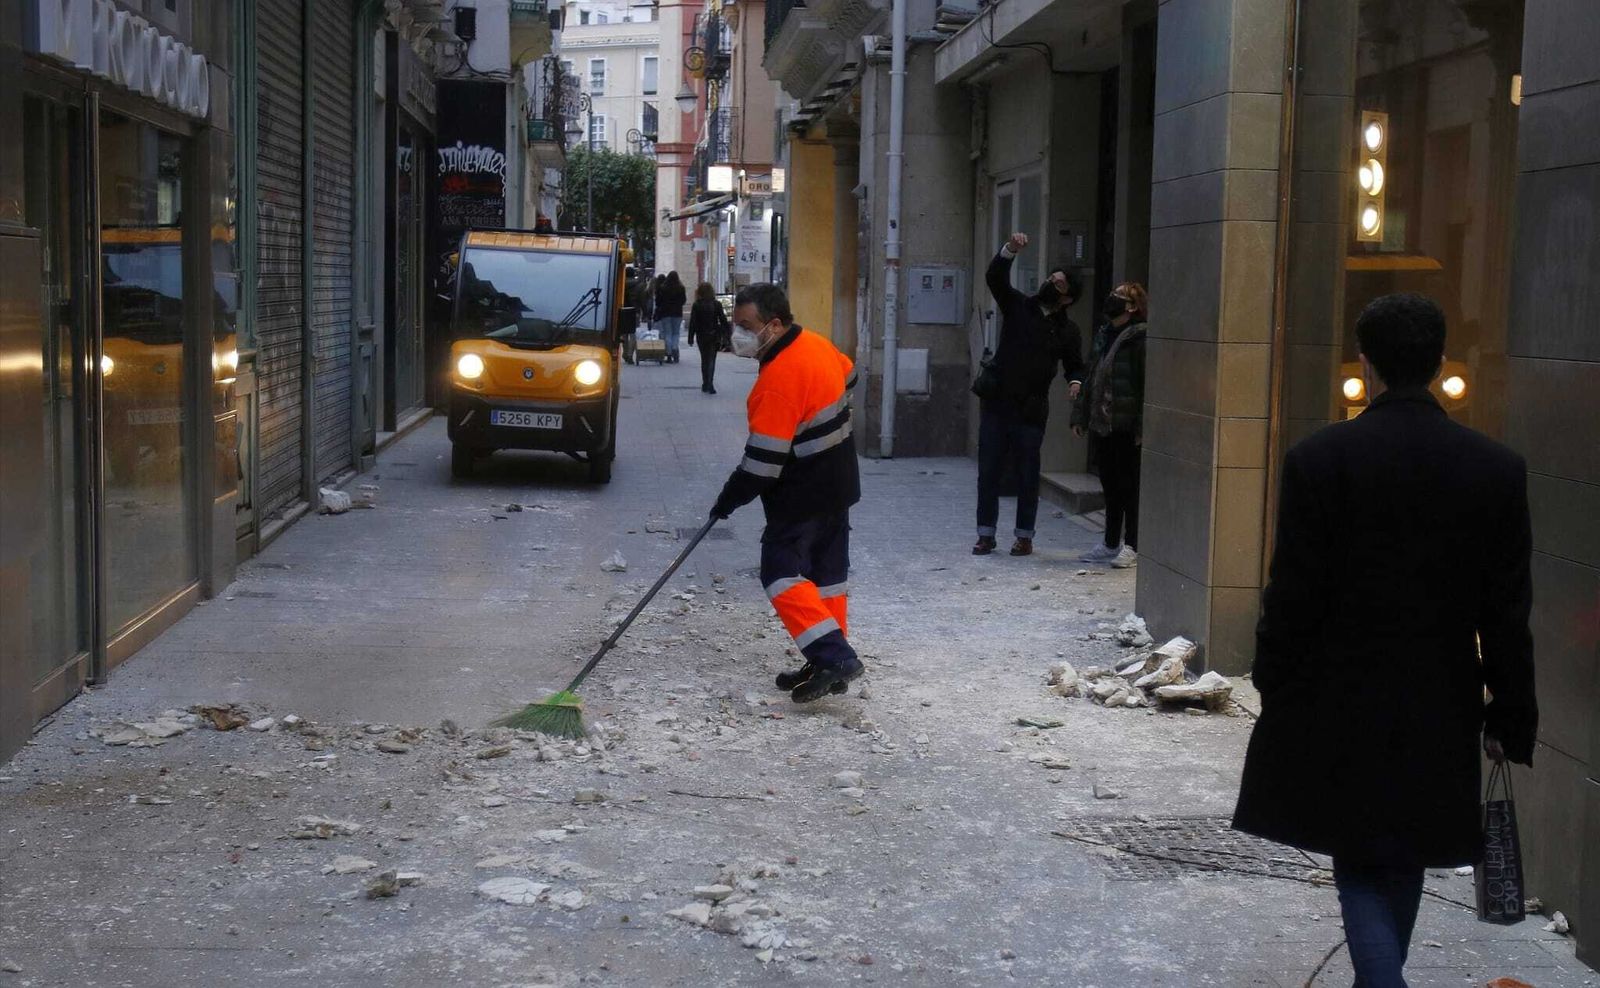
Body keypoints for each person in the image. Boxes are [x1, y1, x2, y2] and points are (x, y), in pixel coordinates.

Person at [1232, 293, 1537, 987]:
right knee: (1398, 854)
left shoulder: (1321, 460)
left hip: (1338, 690)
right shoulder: (1495, 470)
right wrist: (1510, 713)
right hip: (1440, 694)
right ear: (1437, 363)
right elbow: (1507, 611)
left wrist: (1274, 677)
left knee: (1362, 855)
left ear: (1365, 364)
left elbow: (1293, 590)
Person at [710, 283, 863, 703]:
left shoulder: (776, 381)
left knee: (781, 573)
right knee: (827, 577)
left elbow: (762, 465)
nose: (736, 334)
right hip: (841, 480)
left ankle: (833, 656)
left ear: (773, 325)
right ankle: (829, 659)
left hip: (802, 493)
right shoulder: (816, 343)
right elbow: (851, 375)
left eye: (745, 326)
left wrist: (726, 501)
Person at [974, 232, 1084, 557]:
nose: (1051, 284)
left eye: (1059, 284)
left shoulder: (1068, 331)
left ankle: (1024, 536)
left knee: (1027, 474)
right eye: (1051, 278)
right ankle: (985, 534)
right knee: (989, 470)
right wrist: (1009, 250)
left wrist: (1076, 382)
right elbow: (995, 278)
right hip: (998, 402)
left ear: (1068, 299)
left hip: (1032, 409)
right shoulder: (1020, 306)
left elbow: (1075, 366)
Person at [1071, 282, 1147, 569]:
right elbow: (1092, 377)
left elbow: (1143, 387)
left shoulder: (1140, 339)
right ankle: (1110, 542)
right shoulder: (1105, 334)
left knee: (1129, 488)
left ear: (1133, 307)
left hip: (1125, 425)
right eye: (1113, 293)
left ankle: (1132, 545)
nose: (1112, 299)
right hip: (1103, 423)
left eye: (1120, 297)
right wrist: (1080, 417)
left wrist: (1141, 427)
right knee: (1111, 486)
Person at [687, 281, 730, 393]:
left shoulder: (697, 305)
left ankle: (705, 382)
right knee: (711, 360)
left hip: (701, 336)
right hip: (714, 335)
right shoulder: (716, 304)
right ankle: (710, 383)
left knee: (704, 359)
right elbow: (723, 320)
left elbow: (693, 322)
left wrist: (690, 337)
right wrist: (728, 334)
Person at [655, 272, 687, 364]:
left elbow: (658, 302)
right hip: (677, 313)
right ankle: (675, 349)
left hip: (665, 314)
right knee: (676, 333)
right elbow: (683, 301)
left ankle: (668, 354)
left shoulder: (662, 288)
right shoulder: (681, 288)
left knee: (667, 334)